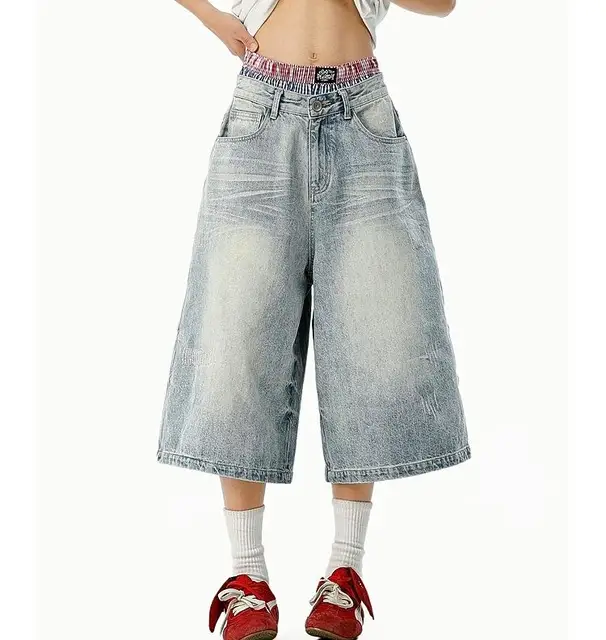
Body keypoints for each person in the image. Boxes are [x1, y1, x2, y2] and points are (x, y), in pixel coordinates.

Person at [157, 1, 470, 638]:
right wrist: (211, 18)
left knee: (372, 332)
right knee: (238, 340)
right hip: (261, 115)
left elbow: (443, 4)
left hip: (362, 117)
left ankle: (345, 573)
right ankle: (247, 577)